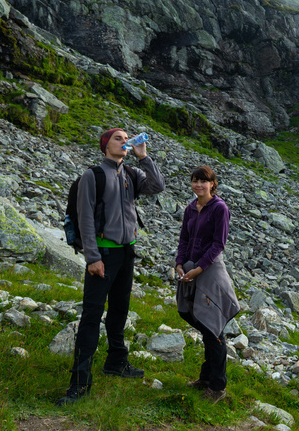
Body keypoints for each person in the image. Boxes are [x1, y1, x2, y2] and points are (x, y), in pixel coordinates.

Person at [57, 128, 165, 406]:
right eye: (118, 138)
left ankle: (116, 362)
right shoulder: (92, 176)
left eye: (126, 138)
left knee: (119, 311)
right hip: (103, 254)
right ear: (105, 145)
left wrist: (143, 157)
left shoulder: (131, 173)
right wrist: (92, 258)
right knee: (92, 316)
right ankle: (79, 383)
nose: (125, 141)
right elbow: (85, 218)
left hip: (126, 252)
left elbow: (157, 186)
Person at [175, 165, 240, 403]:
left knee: (213, 329)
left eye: (204, 181)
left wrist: (198, 269)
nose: (198, 185)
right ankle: (206, 377)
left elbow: (217, 244)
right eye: (195, 181)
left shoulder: (219, 208)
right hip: (190, 269)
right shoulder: (191, 208)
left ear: (213, 184)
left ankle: (217, 386)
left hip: (209, 271)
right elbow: (184, 238)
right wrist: (180, 264)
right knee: (194, 317)